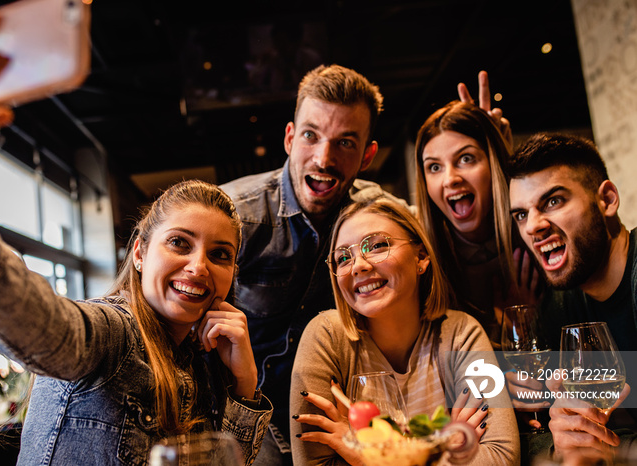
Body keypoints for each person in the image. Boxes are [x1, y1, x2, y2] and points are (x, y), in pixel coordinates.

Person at [0, 9, 272, 463]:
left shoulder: (202, 359)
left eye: (220, 253)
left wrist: (244, 386)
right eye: (179, 242)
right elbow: (43, 329)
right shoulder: (114, 333)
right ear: (139, 252)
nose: (198, 266)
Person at [220, 64, 407, 464]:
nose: (324, 158)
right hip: (245, 406)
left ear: (367, 155)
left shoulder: (380, 215)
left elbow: (442, 240)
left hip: (344, 408)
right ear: (290, 138)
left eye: (345, 143)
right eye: (311, 136)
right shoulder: (236, 214)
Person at [289, 197, 520, 465]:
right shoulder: (326, 337)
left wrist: (366, 456)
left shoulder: (462, 333)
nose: (358, 265)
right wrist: (441, 448)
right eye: (343, 258)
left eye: (377, 246)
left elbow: (502, 457)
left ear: (421, 257)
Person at [507, 132, 637, 463]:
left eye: (553, 201)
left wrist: (613, 446)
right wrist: (562, 439)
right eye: (521, 214)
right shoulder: (559, 309)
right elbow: (543, 434)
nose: (533, 226)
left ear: (606, 199)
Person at [414, 73, 541, 349]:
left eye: (466, 159)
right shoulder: (420, 257)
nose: (450, 179)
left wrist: (527, 324)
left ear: (493, 161)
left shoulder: (536, 230)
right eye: (434, 167)